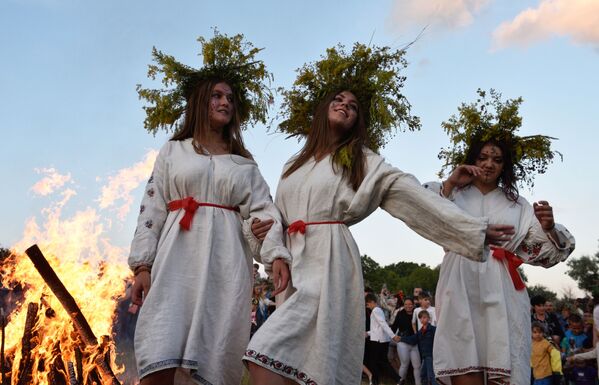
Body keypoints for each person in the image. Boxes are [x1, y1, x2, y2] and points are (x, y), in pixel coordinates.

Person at [244, 43, 510, 385]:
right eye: (338, 100)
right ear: (323, 108)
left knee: (263, 353)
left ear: (358, 122)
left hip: (329, 263)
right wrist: (264, 235)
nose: (345, 106)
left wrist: (470, 228)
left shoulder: (362, 160)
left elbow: (409, 193)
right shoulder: (293, 164)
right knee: (287, 364)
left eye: (353, 106)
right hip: (295, 264)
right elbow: (275, 216)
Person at [128, 33, 291, 385]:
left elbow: (265, 210)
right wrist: (142, 264)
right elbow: (152, 206)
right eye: (216, 95)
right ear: (200, 102)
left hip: (226, 262)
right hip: (176, 258)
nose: (225, 102)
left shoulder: (243, 164)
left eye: (230, 97)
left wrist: (274, 248)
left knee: (215, 350)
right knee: (160, 349)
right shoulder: (174, 151)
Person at [429, 110, 576, 385]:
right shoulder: (452, 194)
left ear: (505, 165)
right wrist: (450, 182)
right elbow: (422, 212)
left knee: (502, 365)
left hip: (502, 289)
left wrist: (549, 228)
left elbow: (548, 253)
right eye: (482, 157)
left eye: (497, 159)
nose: (488, 164)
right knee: (464, 363)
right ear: (471, 159)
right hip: (459, 284)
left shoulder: (517, 204)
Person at [365, 293, 402, 385]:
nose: (367, 306)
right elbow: (378, 328)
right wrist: (368, 333)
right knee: (382, 362)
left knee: (374, 362)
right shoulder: (379, 310)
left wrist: (393, 336)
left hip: (378, 341)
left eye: (368, 304)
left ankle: (376, 382)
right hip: (381, 340)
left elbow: (383, 324)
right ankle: (397, 379)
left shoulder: (376, 311)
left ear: (372, 302)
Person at [399, 310, 437, 385]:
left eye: (424, 317)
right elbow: (412, 339)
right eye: (420, 318)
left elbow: (438, 341)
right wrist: (401, 338)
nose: (422, 319)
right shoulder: (420, 331)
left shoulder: (433, 329)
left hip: (431, 356)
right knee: (423, 375)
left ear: (429, 318)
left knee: (431, 376)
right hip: (424, 356)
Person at [391, 297, 422, 385]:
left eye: (410, 304)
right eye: (406, 304)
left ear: (413, 305)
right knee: (404, 364)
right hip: (403, 342)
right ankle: (400, 382)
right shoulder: (400, 314)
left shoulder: (417, 313)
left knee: (417, 366)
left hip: (414, 343)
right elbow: (394, 327)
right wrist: (393, 336)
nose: (408, 306)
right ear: (403, 305)